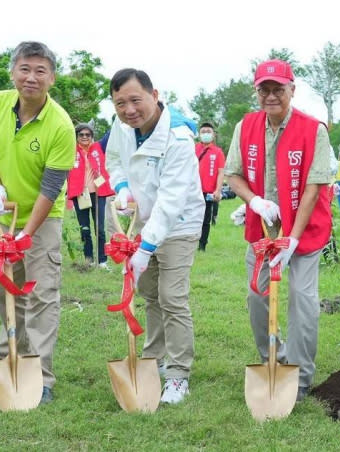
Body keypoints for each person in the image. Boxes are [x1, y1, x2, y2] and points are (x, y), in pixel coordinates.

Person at [0, 41, 75, 405]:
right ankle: (11, 355)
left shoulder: (61, 125)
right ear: (13, 72)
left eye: (40, 71)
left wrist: (26, 237)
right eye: (25, 69)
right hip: (4, 213)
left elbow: (51, 187)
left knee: (42, 293)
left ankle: (41, 376)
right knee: (3, 290)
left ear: (52, 78)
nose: (31, 77)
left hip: (43, 216)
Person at [226, 59, 333, 402]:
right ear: (257, 92)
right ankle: (272, 359)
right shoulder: (246, 126)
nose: (271, 96)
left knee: (302, 299)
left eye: (278, 89)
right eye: (264, 89)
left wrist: (294, 239)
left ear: (292, 90)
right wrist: (253, 201)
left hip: (304, 230)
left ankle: (300, 379)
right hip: (263, 230)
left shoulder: (313, 129)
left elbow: (314, 187)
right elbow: (233, 174)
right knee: (257, 295)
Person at [105, 68, 204, 404]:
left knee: (172, 297)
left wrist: (145, 248)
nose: (129, 109)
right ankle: (154, 359)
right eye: (121, 103)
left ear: (154, 95)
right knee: (150, 297)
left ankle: (178, 374)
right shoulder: (121, 127)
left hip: (178, 225)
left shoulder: (178, 138)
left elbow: (171, 200)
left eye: (136, 100)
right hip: (141, 221)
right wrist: (121, 187)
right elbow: (114, 159)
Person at [67, 122, 113, 268]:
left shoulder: (99, 147)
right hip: (80, 194)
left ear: (92, 136)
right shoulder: (70, 150)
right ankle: (89, 259)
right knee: (84, 228)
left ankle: (102, 261)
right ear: (76, 136)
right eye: (81, 134)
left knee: (99, 228)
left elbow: (111, 133)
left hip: (98, 193)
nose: (85, 137)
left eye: (88, 134)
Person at [195, 122, 225, 251]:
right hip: (193, 191)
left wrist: (218, 190)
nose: (206, 134)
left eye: (208, 132)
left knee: (206, 219)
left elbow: (220, 172)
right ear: (199, 134)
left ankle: (202, 245)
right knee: (191, 218)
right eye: (203, 132)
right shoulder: (193, 149)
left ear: (213, 135)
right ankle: (189, 243)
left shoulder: (218, 152)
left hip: (208, 192)